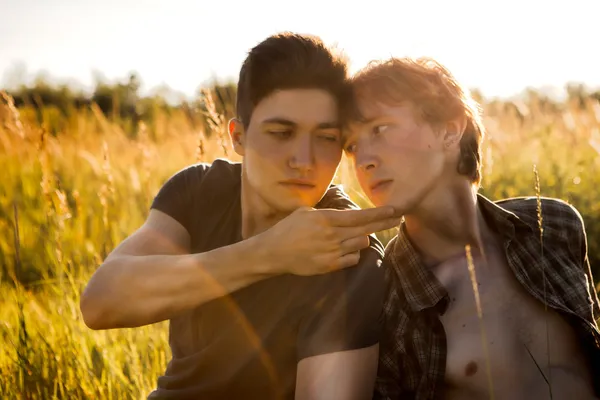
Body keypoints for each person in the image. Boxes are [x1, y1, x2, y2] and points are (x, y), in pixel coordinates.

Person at [79, 32, 401, 400]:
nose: (304, 160)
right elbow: (100, 303)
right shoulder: (202, 190)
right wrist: (268, 254)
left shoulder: (345, 250)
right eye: (281, 133)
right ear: (238, 137)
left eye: (326, 138)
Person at [344, 57, 600, 399]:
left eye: (380, 129)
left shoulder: (553, 224)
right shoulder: (386, 299)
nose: (364, 160)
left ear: (449, 130)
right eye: (352, 146)